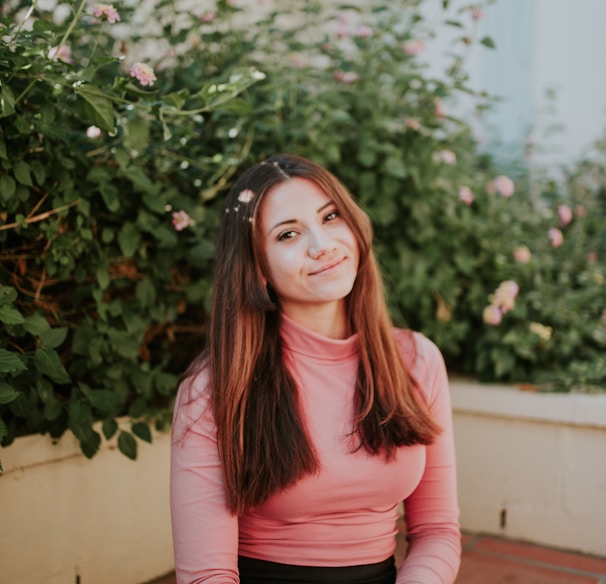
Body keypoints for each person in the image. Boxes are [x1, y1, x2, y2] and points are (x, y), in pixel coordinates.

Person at [170, 154, 461, 584]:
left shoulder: (417, 359)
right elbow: (206, 575)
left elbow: (437, 530)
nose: (320, 244)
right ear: (258, 270)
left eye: (330, 217)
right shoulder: (213, 387)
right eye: (288, 234)